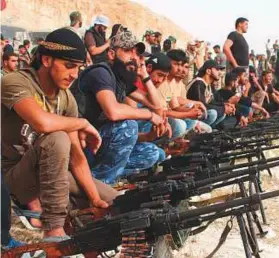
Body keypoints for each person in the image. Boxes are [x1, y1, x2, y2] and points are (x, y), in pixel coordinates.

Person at [1, 28, 116, 242]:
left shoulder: (66, 99)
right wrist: (82, 122)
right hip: (16, 179)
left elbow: (77, 158)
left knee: (114, 201)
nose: (74, 74)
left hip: (52, 174)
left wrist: (94, 200)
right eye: (69, 66)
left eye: (79, 68)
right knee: (57, 138)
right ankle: (54, 230)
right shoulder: (15, 82)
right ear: (46, 59)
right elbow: (42, 122)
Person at [72, 30, 166, 184]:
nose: (134, 57)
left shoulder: (121, 80)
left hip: (99, 140)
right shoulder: (101, 72)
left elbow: (157, 106)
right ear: (111, 54)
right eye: (128, 51)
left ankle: (96, 177)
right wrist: (149, 115)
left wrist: (144, 74)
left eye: (136, 53)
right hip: (81, 141)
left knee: (151, 153)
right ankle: (98, 184)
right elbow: (113, 112)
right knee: (128, 126)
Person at [187, 60, 235, 128]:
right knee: (213, 113)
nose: (220, 72)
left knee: (222, 112)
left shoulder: (209, 85)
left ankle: (206, 130)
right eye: (217, 69)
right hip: (189, 116)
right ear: (208, 71)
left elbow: (214, 101)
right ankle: (196, 132)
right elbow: (202, 106)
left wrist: (226, 104)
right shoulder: (198, 83)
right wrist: (223, 108)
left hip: (198, 115)